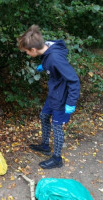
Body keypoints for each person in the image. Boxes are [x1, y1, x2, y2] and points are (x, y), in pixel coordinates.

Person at [17, 25, 80, 169]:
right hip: (54, 93)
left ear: (33, 50)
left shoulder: (55, 58)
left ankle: (57, 159)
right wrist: (44, 66)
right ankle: (45, 145)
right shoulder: (48, 48)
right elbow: (49, 59)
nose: (27, 54)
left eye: (26, 52)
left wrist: (71, 103)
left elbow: (74, 80)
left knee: (57, 126)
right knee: (44, 116)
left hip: (62, 98)